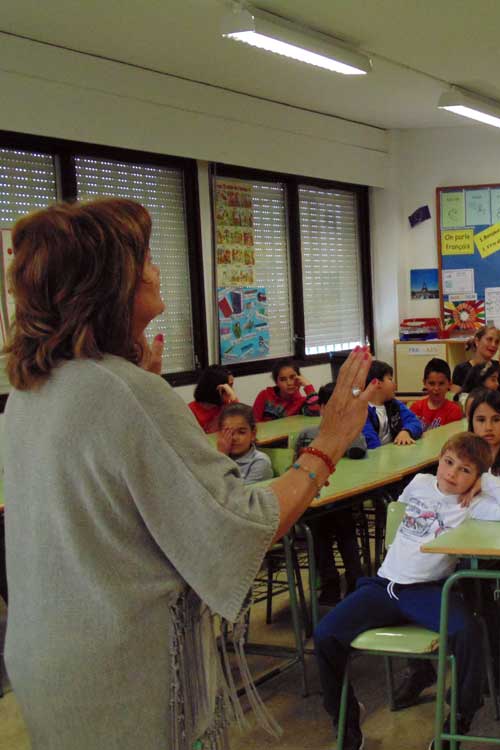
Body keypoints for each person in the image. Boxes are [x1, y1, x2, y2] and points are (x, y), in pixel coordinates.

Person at [2, 198, 376, 749]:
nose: (156, 268)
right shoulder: (126, 393)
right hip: (123, 671)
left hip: (53, 660)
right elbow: (239, 523)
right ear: (109, 282)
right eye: (145, 257)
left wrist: (134, 377)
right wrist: (329, 442)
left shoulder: (31, 391)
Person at [313, 433, 500, 750]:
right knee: (325, 634)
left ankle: (461, 716)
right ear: (439, 459)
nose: (452, 474)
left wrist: (486, 481)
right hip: (383, 586)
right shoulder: (419, 483)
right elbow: (400, 519)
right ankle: (344, 716)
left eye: (465, 471)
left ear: (476, 476)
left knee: (467, 632)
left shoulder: (473, 505)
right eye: (448, 462)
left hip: (426, 591)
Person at [391, 390, 500, 711]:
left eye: (496, 419)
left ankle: (489, 676)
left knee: (481, 597)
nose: (488, 427)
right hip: (452, 559)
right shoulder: (458, 463)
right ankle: (422, 670)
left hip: (498, 561)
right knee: (420, 586)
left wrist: (484, 482)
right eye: (480, 420)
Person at [296, 383, 368, 605]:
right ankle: (329, 583)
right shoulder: (307, 435)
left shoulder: (354, 434)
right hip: (315, 500)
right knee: (318, 531)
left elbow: (359, 453)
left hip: (343, 498)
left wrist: (345, 432)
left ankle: (355, 579)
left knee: (344, 525)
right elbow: (296, 466)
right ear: (322, 407)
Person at [451, 325, 500, 402]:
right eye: (489, 339)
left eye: (497, 342)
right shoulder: (461, 369)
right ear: (477, 341)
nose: (493, 345)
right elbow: (456, 401)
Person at [362, 360, 424, 449]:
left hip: (394, 454)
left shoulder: (395, 405)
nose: (395, 384)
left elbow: (415, 422)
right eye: (390, 379)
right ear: (377, 383)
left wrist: (406, 432)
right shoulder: (362, 410)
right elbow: (370, 440)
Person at [215, 402, 273, 483]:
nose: (234, 438)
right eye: (229, 433)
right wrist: (221, 456)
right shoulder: (215, 458)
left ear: (253, 433)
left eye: (241, 432)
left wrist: (222, 458)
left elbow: (241, 494)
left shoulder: (260, 462)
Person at [252, 357, 320, 422]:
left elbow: (316, 414)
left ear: (299, 378)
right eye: (283, 379)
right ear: (276, 383)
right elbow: (254, 422)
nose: (289, 383)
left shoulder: (302, 402)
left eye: (292, 377)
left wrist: (308, 385)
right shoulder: (265, 395)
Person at [410, 358, 463, 430]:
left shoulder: (454, 411)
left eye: (441, 383)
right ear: (424, 383)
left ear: (449, 384)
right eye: (432, 383)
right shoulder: (416, 407)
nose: (436, 388)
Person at [188, 365, 238, 432]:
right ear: (215, 389)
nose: (231, 391)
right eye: (228, 387)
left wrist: (234, 399)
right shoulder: (190, 411)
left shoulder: (227, 404)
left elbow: (243, 423)